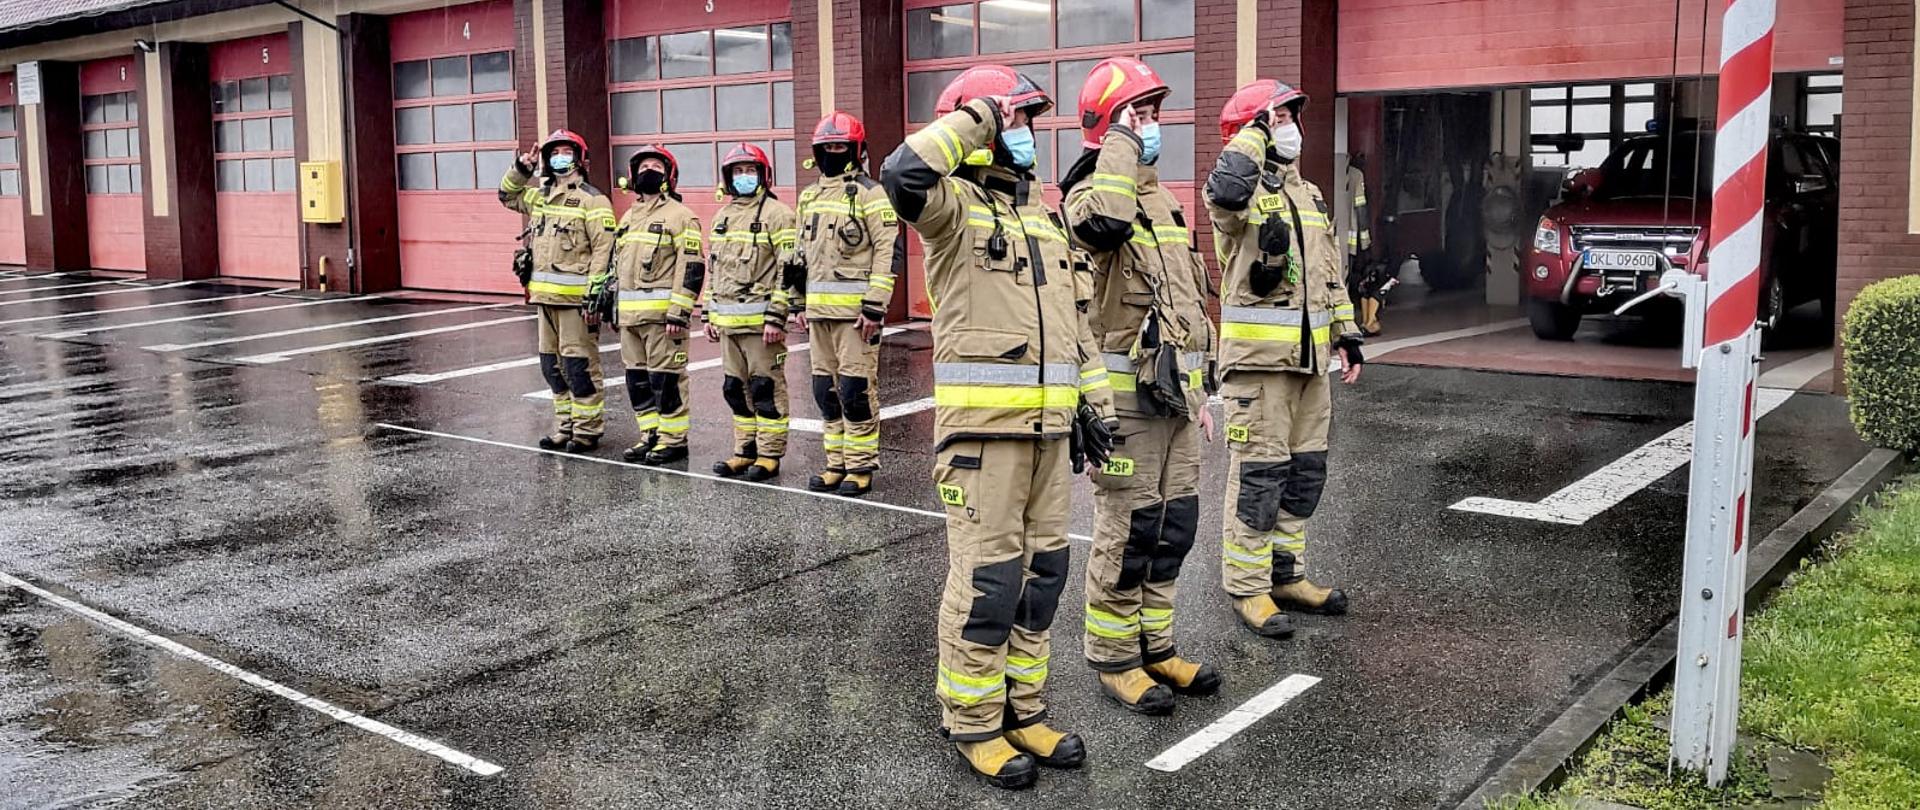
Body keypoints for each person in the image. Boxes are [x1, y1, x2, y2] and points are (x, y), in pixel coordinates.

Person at [881, 65, 1116, 790]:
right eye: (1015, 122)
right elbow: (902, 171)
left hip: (1050, 435)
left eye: (1025, 122)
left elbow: (1075, 327)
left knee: (1041, 579)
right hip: (984, 441)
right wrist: (982, 112)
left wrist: (1096, 408)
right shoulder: (951, 212)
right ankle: (974, 721)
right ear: (978, 128)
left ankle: (1024, 710)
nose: (1025, 135)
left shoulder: (1043, 218)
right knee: (988, 585)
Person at [1058, 57, 1221, 714]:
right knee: (1128, 529)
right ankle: (1116, 658)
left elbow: (1186, 309)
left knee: (1173, 524)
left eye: (1153, 114)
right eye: (1138, 114)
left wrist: (1201, 394)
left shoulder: (1165, 201)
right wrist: (1117, 147)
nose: (1151, 125)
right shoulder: (1090, 196)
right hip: (1124, 406)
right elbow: (1104, 225)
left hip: (1175, 401)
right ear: (1107, 127)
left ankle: (1158, 647)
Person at [1203, 79, 1364, 639]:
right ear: (1254, 129)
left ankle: (1286, 575)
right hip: (1259, 369)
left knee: (1303, 475)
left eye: (1294, 115)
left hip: (1310, 366)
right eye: (1281, 118)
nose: (1293, 126)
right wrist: (1254, 131)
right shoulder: (1236, 198)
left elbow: (1326, 273)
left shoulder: (1310, 195)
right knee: (1259, 479)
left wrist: (1346, 332)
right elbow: (1224, 191)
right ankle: (1248, 588)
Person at [791, 111, 904, 497]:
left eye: (840, 147)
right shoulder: (809, 197)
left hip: (856, 318)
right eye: (826, 148)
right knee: (826, 392)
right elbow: (797, 256)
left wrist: (875, 306)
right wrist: (796, 303)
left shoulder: (872, 195)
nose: (833, 154)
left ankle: (859, 466)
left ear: (856, 151)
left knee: (855, 392)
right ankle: (835, 464)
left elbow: (889, 251)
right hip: (818, 315)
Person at [499, 130, 617, 453]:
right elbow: (507, 196)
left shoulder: (594, 201)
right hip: (544, 301)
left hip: (576, 304)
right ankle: (564, 427)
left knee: (579, 366)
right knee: (551, 366)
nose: (559, 158)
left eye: (566, 152)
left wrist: (595, 295)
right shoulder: (540, 196)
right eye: (555, 153)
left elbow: (604, 251)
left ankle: (587, 430)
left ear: (579, 158)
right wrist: (522, 169)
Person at [591, 145, 704, 464]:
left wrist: (679, 313)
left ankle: (673, 440)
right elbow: (617, 267)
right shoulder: (628, 218)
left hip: (662, 321)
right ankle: (650, 435)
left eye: (656, 165)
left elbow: (692, 265)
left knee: (666, 380)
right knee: (638, 382)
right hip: (630, 320)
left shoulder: (682, 217)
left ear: (669, 176)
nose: (648, 171)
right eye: (643, 166)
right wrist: (613, 306)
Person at [705, 143, 799, 481]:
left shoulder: (778, 214)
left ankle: (770, 455)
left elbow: (788, 269)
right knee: (735, 389)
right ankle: (744, 451)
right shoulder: (722, 217)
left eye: (750, 171)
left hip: (762, 326)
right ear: (728, 178)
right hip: (728, 324)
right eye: (738, 172)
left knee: (766, 389)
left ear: (764, 176)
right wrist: (708, 313)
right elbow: (714, 269)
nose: (744, 177)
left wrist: (777, 316)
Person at [1339, 153, 1386, 335]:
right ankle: (1358, 323)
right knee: (1347, 282)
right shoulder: (1356, 175)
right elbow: (1361, 208)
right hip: (1350, 241)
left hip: (1333, 237)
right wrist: (1365, 242)